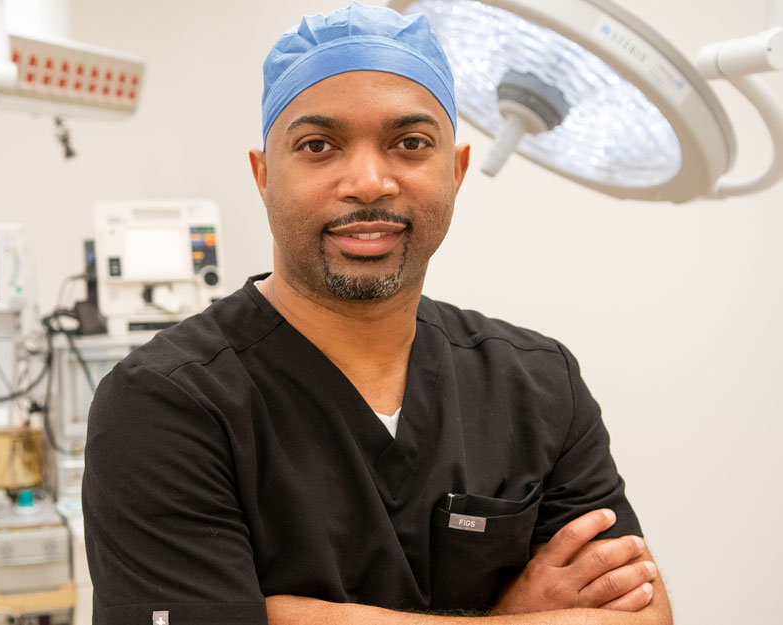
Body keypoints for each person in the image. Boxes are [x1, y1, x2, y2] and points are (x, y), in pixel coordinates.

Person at [82, 3, 672, 624]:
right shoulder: (164, 402)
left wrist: (283, 615)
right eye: (318, 146)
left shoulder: (539, 383)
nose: (368, 181)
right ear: (264, 177)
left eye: (410, 143)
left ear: (456, 170)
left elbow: (642, 616)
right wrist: (506, 616)